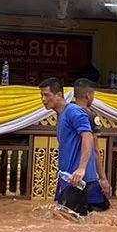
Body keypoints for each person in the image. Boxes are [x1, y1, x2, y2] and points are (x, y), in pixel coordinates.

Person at [38, 78, 99, 217]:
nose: (43, 99)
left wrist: (82, 168)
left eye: (46, 95)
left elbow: (88, 136)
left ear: (59, 95)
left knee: (66, 222)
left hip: (78, 180)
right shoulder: (61, 115)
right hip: (68, 180)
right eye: (41, 95)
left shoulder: (73, 112)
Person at [72, 78, 112, 212]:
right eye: (93, 95)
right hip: (88, 176)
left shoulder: (66, 112)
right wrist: (104, 179)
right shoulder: (89, 116)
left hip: (68, 176)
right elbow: (95, 151)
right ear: (88, 95)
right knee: (100, 216)